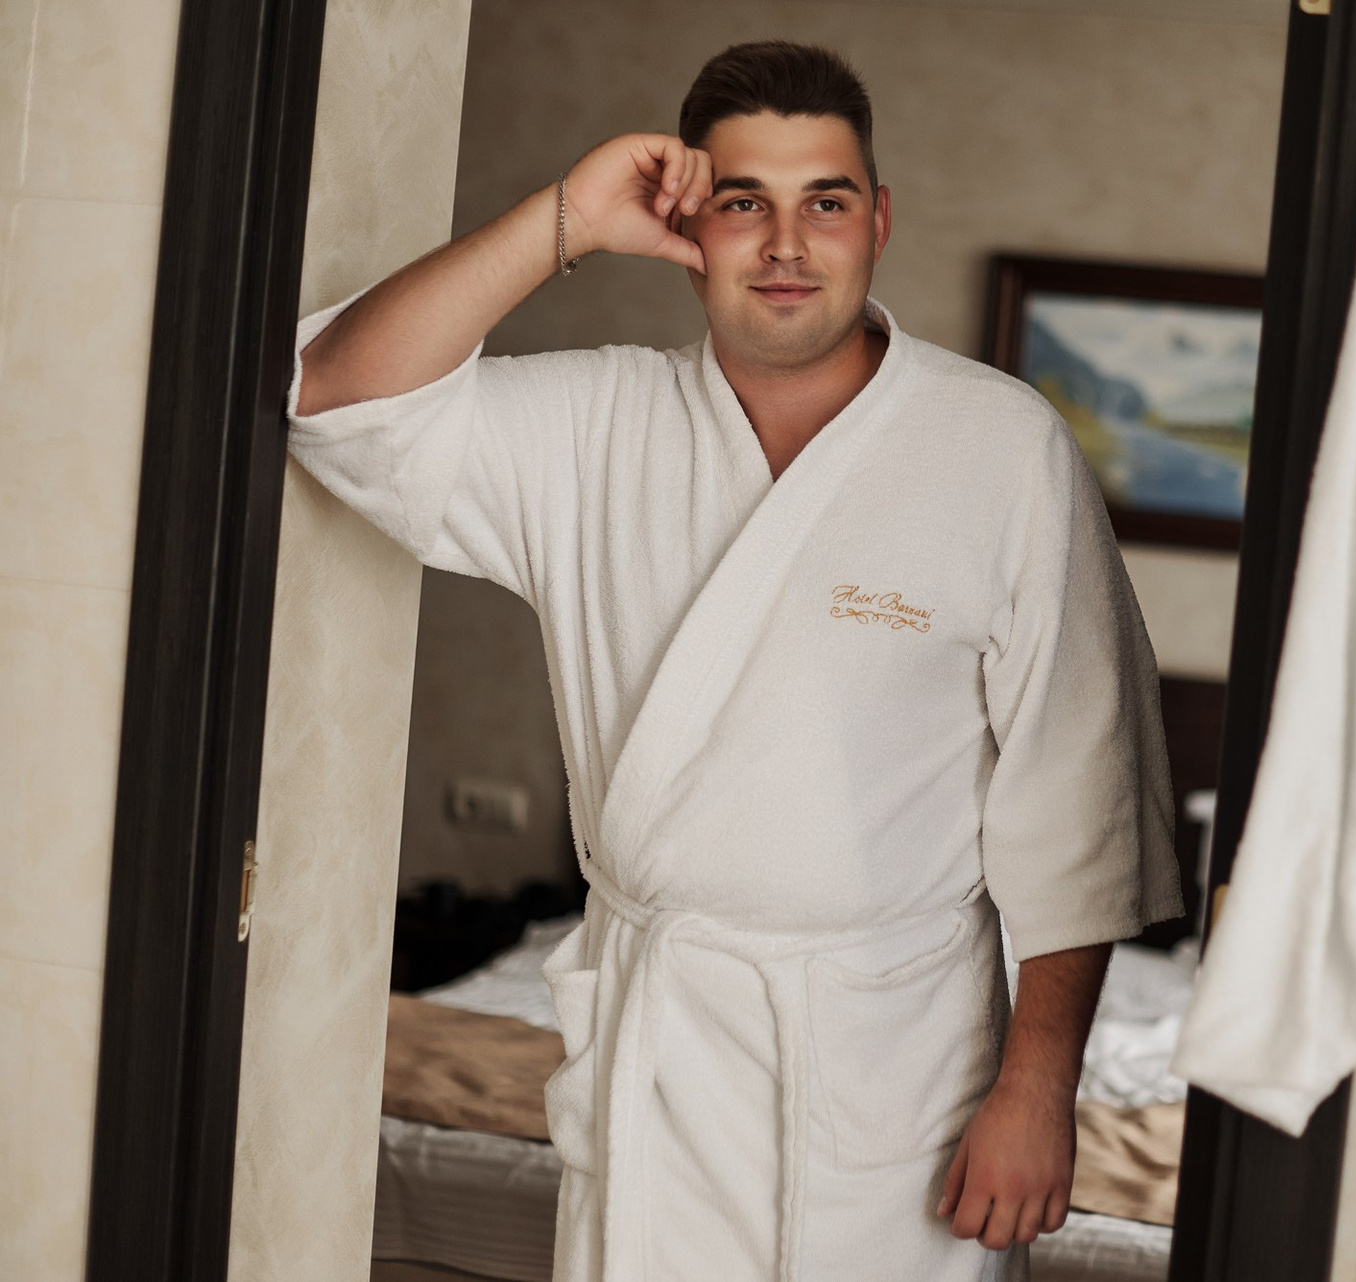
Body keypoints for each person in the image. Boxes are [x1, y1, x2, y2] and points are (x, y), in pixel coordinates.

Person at [288, 38, 1180, 1282]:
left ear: (879, 221)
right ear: (688, 225)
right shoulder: (595, 427)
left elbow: (1080, 803)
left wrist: (1037, 1090)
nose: (786, 245)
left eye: (826, 202)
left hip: (898, 1069)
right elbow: (333, 399)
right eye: (744, 202)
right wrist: (567, 216)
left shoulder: (1001, 449)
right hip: (660, 1063)